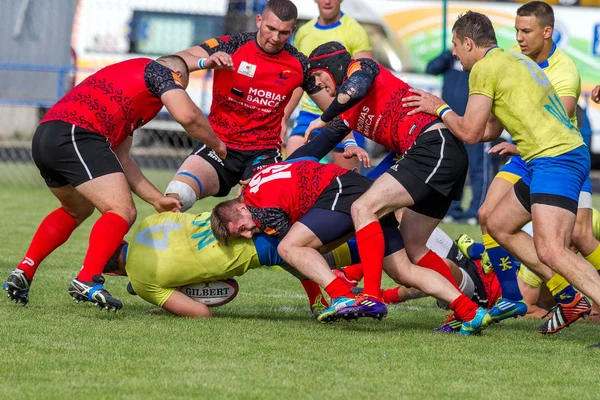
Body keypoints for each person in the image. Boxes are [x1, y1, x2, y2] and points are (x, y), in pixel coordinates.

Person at [401, 11, 600, 341]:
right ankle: (568, 297)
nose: (452, 52)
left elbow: (470, 131)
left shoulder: (484, 69)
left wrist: (438, 107)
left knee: (553, 249)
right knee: (496, 222)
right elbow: (487, 131)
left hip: (557, 158)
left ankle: (577, 298)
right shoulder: (512, 61)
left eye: (454, 45)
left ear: (468, 42)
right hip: (547, 158)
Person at [3, 55, 224, 311]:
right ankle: (87, 279)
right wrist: (217, 144)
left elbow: (122, 160)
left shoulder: (129, 91)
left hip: (48, 135)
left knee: (77, 209)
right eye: (179, 89)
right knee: (122, 210)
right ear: (176, 77)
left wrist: (155, 199)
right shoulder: (158, 72)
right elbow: (189, 117)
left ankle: (24, 271)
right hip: (78, 134)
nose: (175, 95)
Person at [210, 143, 491, 334]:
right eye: (243, 235)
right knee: (404, 271)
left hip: (341, 193)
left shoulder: (259, 207)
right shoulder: (258, 180)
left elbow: (301, 253)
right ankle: (469, 310)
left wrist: (332, 282)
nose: (250, 232)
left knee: (288, 247)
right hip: (357, 189)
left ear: (240, 207)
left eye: (242, 227)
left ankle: (343, 297)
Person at [302, 42, 470, 323]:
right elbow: (313, 149)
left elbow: (356, 85)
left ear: (334, 67)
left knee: (363, 207)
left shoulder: (363, 68)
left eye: (320, 77)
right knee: (412, 247)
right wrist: (274, 171)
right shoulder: (347, 113)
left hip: (433, 146)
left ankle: (370, 295)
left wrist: (323, 116)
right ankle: (468, 309)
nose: (320, 86)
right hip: (437, 153)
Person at [164, 0, 358, 212]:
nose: (275, 38)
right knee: (177, 195)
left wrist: (349, 144)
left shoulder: (298, 64)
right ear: (259, 21)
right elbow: (177, 59)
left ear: (293, 30)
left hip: (262, 154)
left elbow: (334, 110)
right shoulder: (232, 44)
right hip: (219, 146)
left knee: (270, 215)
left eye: (284, 33)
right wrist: (205, 62)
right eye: (270, 28)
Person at [102, 211, 310, 318]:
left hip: (270, 250)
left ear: (111, 274)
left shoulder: (141, 283)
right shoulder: (149, 221)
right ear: (123, 240)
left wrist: (173, 301)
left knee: (335, 258)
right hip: (259, 216)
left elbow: (201, 313)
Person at [285, 0, 373, 169]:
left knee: (346, 181)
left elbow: (366, 77)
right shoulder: (304, 32)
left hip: (346, 115)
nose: (327, 1)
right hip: (310, 114)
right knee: (291, 167)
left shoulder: (354, 30)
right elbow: (298, 80)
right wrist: (284, 118)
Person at [426, 49, 489, 225]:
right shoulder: (449, 57)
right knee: (452, 166)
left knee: (478, 167)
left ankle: (475, 211)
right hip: (450, 121)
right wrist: (447, 55)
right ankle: (453, 209)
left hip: (474, 123)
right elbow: (430, 68)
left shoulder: (480, 61)